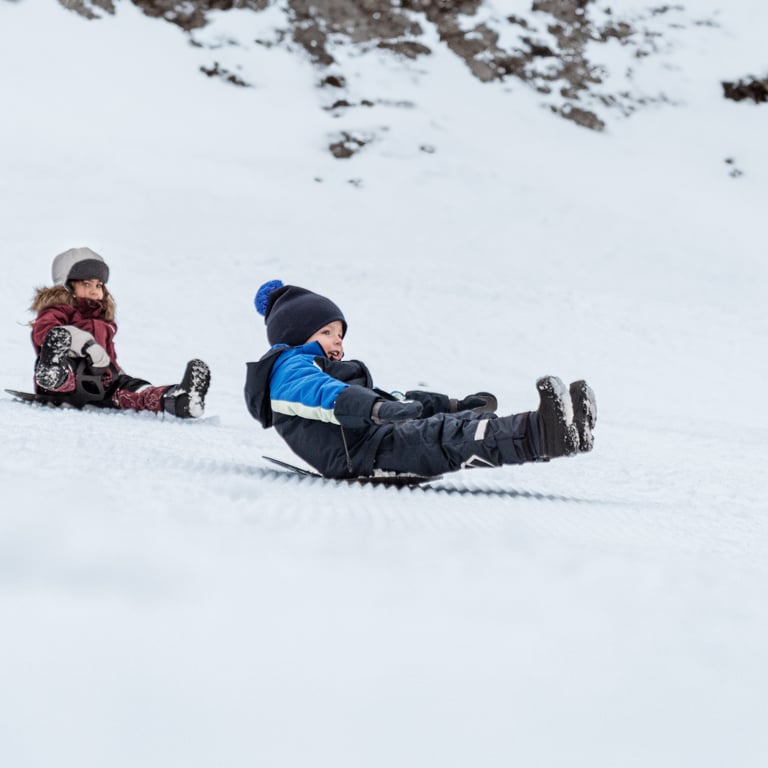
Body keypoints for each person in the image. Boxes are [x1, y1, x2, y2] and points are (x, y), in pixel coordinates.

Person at [244, 279, 596, 479]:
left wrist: (453, 403)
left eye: (340, 333)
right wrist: (377, 408)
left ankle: (563, 431)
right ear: (294, 335)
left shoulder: (328, 369)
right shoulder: (289, 372)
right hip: (363, 452)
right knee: (449, 435)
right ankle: (546, 434)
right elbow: (323, 396)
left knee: (459, 422)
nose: (338, 340)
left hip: (373, 437)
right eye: (327, 331)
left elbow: (393, 397)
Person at [30, 246, 210, 417]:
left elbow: (109, 359)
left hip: (101, 384)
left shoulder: (103, 322)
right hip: (66, 379)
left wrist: (118, 375)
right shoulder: (59, 310)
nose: (95, 291)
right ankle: (52, 373)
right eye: (87, 284)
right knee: (63, 349)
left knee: (134, 391)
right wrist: (85, 344)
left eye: (99, 285)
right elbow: (45, 332)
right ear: (67, 286)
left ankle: (179, 400)